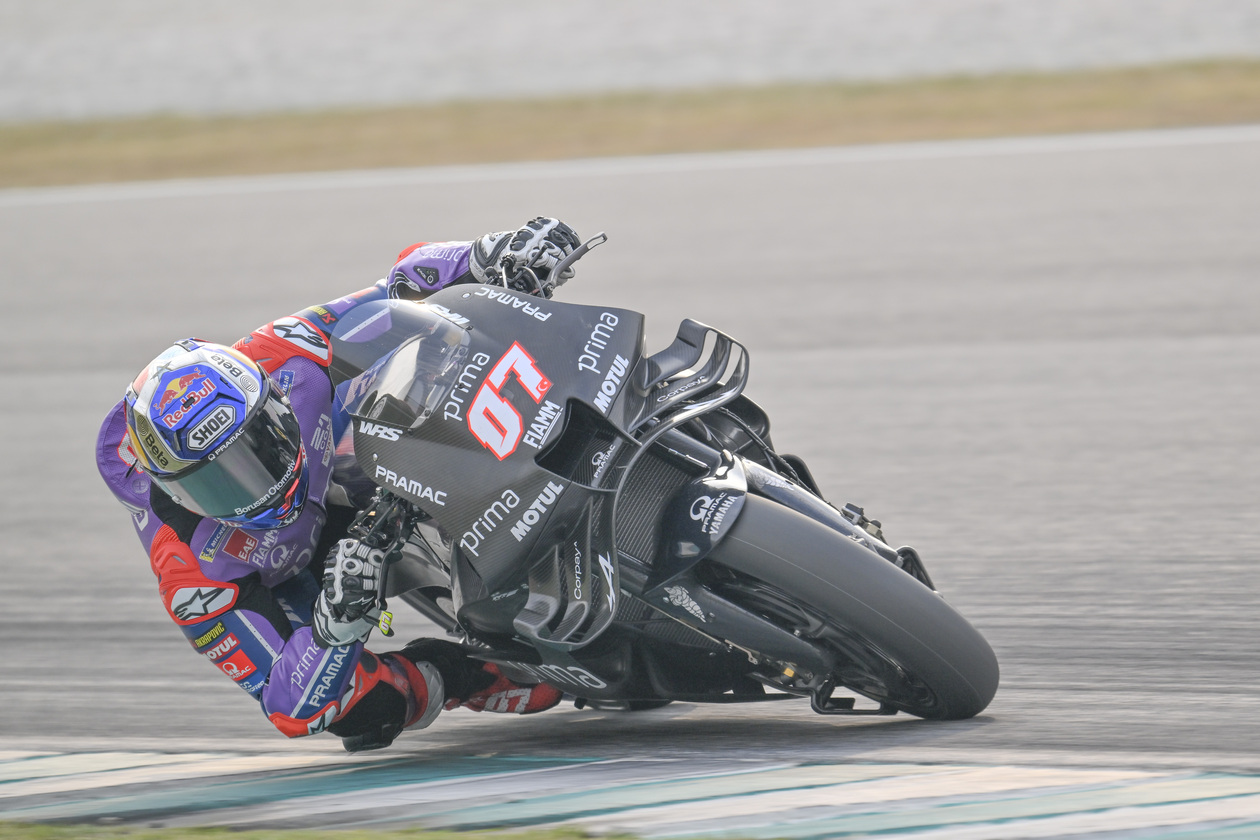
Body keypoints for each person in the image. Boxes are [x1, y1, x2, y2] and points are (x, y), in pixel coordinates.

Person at [96, 218, 582, 751]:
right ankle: (468, 674)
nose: (254, 488)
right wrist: (335, 624)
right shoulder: (189, 570)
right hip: (306, 576)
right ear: (174, 492)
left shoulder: (278, 355)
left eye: (256, 450)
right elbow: (287, 708)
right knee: (355, 710)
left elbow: (399, 287)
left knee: (424, 350)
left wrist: (489, 255)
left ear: (273, 403)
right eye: (217, 484)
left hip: (346, 463)